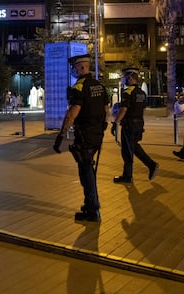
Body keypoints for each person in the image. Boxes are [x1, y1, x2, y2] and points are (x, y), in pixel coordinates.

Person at [53, 53, 110, 222]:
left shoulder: (79, 87)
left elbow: (72, 113)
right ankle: (90, 204)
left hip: (84, 135)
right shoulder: (99, 85)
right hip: (97, 134)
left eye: (74, 67)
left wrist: (61, 136)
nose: (73, 70)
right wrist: (103, 126)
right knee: (88, 168)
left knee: (86, 171)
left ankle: (93, 209)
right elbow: (107, 108)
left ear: (81, 67)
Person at [111, 67, 159, 183]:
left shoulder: (128, 92)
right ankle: (151, 165)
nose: (123, 79)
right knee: (134, 147)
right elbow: (142, 109)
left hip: (129, 124)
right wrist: (141, 125)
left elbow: (123, 109)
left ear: (130, 78)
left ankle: (127, 176)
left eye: (125, 77)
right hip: (138, 123)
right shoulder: (142, 93)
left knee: (127, 151)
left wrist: (116, 123)